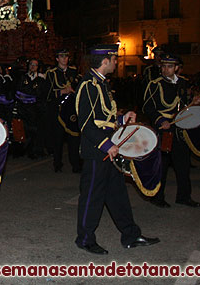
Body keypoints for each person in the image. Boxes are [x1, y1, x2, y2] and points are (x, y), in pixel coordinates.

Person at [75, 44, 159, 254]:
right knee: (92, 196)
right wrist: (107, 146)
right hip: (98, 151)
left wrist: (122, 118)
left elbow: (103, 118)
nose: (116, 62)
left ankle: (130, 235)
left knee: (117, 194)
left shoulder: (102, 84)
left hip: (110, 147)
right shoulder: (89, 85)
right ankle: (85, 239)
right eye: (114, 59)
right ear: (105, 61)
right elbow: (85, 124)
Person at [143, 54, 200, 208]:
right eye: (163, 66)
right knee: (161, 165)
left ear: (176, 68)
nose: (165, 69)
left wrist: (192, 103)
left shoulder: (183, 82)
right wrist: (161, 120)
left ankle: (184, 196)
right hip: (164, 130)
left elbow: (181, 107)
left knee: (183, 165)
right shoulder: (155, 84)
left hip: (179, 129)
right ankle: (158, 197)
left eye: (169, 66)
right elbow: (148, 107)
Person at [44, 49, 81, 172]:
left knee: (74, 138)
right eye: (61, 56)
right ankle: (57, 163)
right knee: (58, 139)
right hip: (58, 109)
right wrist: (62, 92)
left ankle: (76, 164)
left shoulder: (74, 71)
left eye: (66, 56)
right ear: (57, 59)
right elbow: (47, 93)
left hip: (71, 109)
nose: (64, 59)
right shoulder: (51, 73)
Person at [13, 58, 46, 158]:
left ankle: (34, 151)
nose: (32, 66)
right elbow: (19, 90)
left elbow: (40, 93)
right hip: (23, 109)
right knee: (23, 130)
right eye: (31, 64)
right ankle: (21, 150)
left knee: (34, 131)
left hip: (35, 110)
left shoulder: (41, 79)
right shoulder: (23, 77)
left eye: (35, 65)